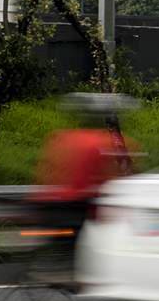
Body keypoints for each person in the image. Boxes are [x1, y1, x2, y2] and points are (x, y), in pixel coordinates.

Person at [28, 93, 140, 248]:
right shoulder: (106, 143)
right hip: (78, 205)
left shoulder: (60, 137)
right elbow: (112, 178)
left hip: (48, 202)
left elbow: (44, 171)